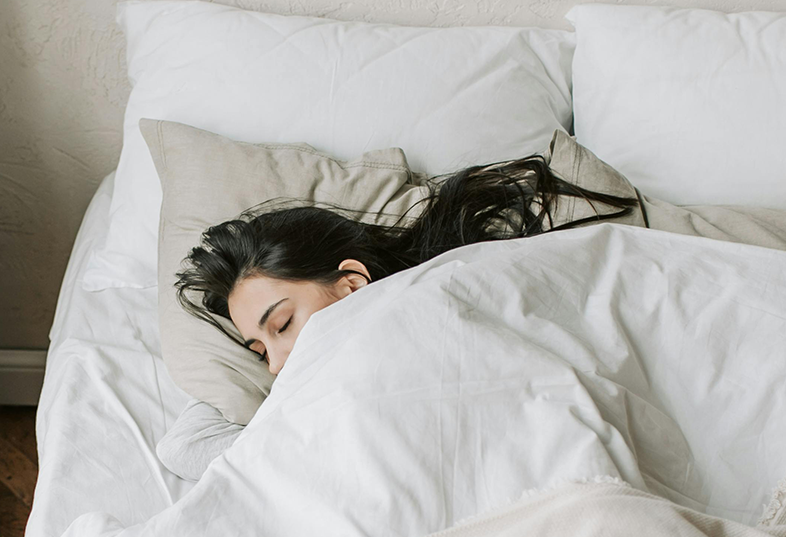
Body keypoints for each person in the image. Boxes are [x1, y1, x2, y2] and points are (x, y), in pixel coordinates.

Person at [157, 155, 641, 480]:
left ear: (352, 284)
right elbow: (185, 446)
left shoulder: (445, 295)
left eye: (282, 325)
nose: (276, 365)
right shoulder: (308, 404)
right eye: (259, 351)